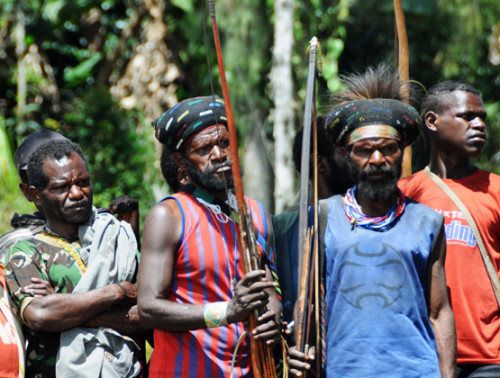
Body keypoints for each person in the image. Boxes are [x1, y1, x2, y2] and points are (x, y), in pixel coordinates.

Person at [288, 97, 456, 377]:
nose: (377, 160)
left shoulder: (427, 221)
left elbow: (439, 311)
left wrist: (447, 374)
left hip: (416, 370)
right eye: (365, 150)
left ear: (401, 152)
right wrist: (303, 350)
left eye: (388, 149)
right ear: (347, 154)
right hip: (345, 369)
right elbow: (307, 302)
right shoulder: (321, 216)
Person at [137, 95, 281, 377]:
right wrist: (226, 312)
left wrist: (274, 313)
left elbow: (267, 283)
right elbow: (148, 309)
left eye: (224, 143)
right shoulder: (169, 215)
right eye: (204, 148)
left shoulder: (254, 212)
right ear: (181, 160)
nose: (218, 154)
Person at [4, 139, 143, 377]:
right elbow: (40, 315)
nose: (77, 193)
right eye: (62, 187)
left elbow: (146, 315)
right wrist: (116, 293)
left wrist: (64, 307)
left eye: (83, 182)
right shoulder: (25, 251)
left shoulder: (113, 236)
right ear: (34, 194)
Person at [398, 81, 499, 377]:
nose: (479, 124)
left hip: (490, 358)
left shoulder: (495, 191)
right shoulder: (405, 194)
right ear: (432, 121)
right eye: (467, 116)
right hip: (424, 352)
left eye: (482, 117)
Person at [273, 119, 352, 326]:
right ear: (318, 163)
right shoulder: (282, 229)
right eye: (344, 152)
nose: (354, 158)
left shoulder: (368, 220)